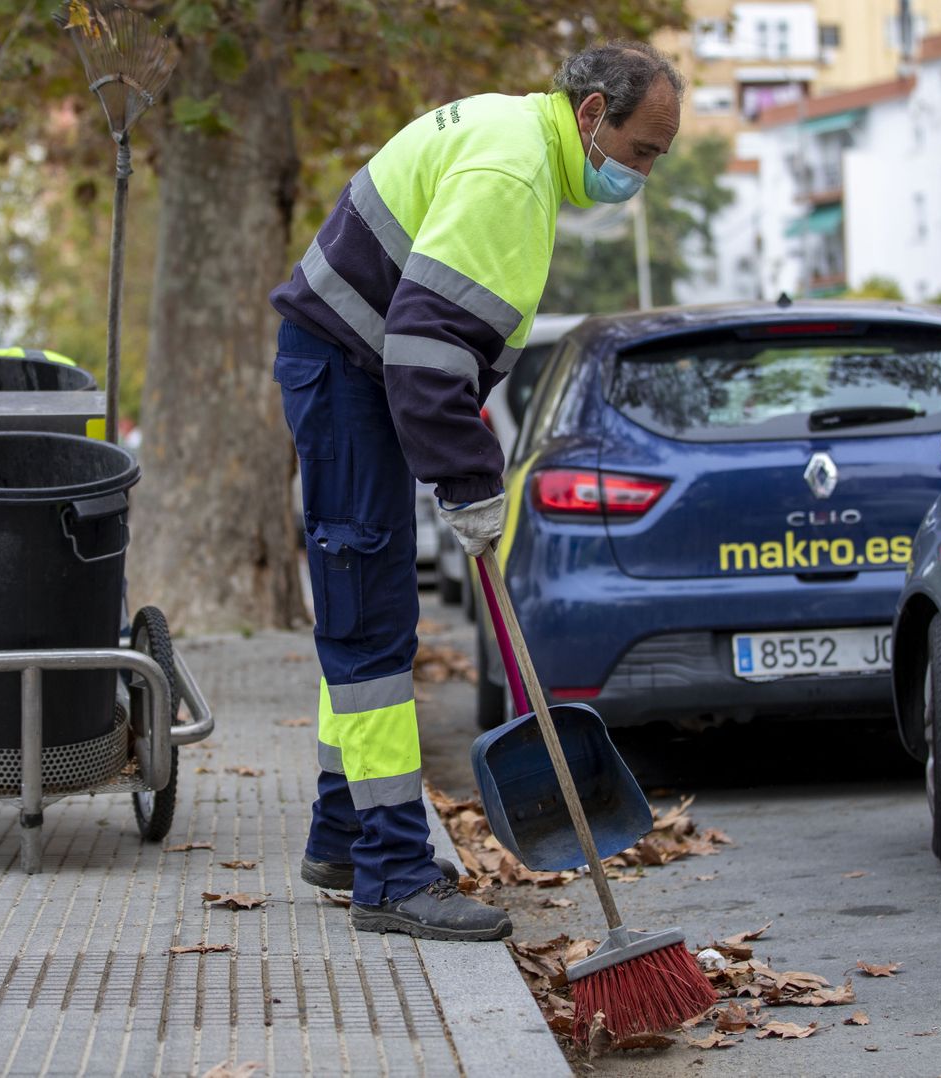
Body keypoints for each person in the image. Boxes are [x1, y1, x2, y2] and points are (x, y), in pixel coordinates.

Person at [268, 41, 682, 941]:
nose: (644, 173)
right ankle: (391, 877)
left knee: (371, 622)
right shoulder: (515, 176)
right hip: (350, 373)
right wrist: (468, 484)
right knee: (370, 624)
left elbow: (440, 353)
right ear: (590, 116)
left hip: (348, 366)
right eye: (644, 150)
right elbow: (423, 353)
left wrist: (470, 464)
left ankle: (342, 836)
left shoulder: (515, 136)